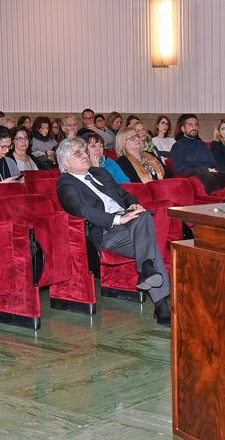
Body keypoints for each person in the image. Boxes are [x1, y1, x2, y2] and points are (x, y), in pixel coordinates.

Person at [55, 137, 171, 325]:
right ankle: (151, 277)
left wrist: (132, 204)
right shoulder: (65, 184)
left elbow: (123, 193)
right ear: (66, 162)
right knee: (147, 232)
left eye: (85, 152)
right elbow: (81, 210)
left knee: (142, 218)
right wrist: (117, 219)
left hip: (129, 223)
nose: (86, 155)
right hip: (106, 232)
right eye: (79, 154)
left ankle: (157, 294)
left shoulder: (100, 173)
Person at [170, 114, 225, 194]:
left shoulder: (201, 144)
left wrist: (214, 170)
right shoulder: (177, 146)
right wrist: (204, 170)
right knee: (206, 175)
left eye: (196, 125)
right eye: (190, 125)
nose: (194, 127)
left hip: (210, 174)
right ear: (183, 129)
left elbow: (214, 163)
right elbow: (179, 169)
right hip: (195, 176)